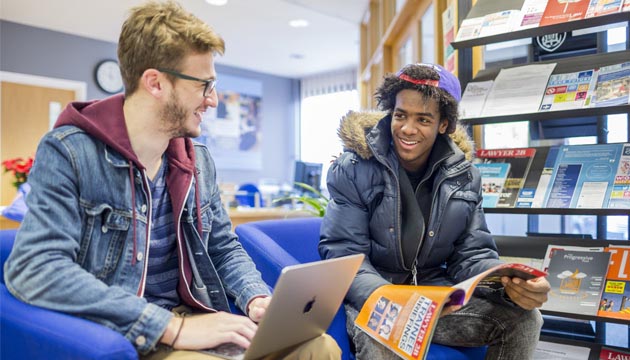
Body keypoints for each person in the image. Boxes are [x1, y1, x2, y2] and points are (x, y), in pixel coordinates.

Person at [3, 1, 340, 359]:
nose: (212, 100)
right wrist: (172, 327)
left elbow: (222, 247)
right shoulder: (70, 153)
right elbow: (36, 268)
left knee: (318, 347)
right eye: (204, 85)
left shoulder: (197, 161)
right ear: (156, 83)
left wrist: (256, 297)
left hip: (195, 317)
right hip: (128, 329)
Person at [319, 63, 551, 359]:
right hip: (377, 298)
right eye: (400, 115)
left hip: (433, 299)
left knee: (525, 318)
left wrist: (510, 286)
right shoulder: (353, 168)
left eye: (423, 119)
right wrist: (393, 299)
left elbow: (472, 255)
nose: (407, 128)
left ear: (444, 125)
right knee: (386, 340)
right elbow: (344, 253)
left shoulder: (466, 177)